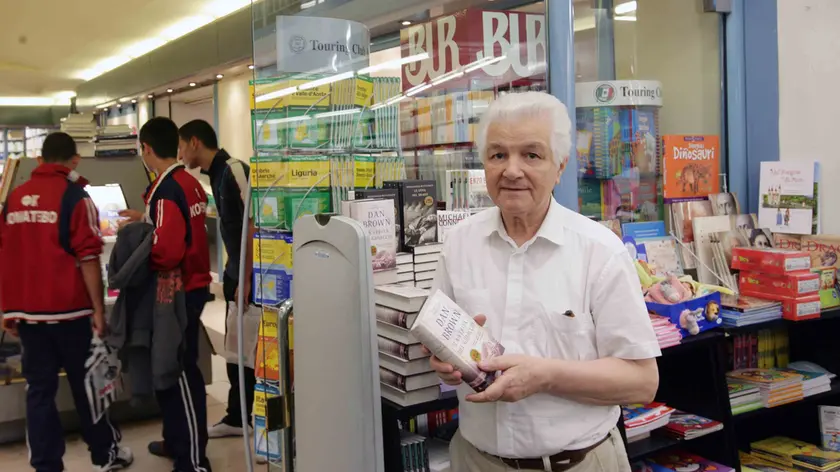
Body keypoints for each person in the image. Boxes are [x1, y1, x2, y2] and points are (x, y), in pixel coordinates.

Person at [426, 92, 661, 472]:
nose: (512, 170)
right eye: (498, 154)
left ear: (560, 166)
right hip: (475, 460)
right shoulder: (459, 243)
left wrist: (545, 376)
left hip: (578, 464)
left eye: (531, 155)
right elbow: (441, 342)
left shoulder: (600, 251)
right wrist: (445, 363)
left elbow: (641, 382)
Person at [0, 132, 133, 472]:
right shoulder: (76, 197)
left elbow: (7, 255)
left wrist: (8, 307)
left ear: (40, 160)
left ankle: (46, 466)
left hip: (30, 314)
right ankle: (104, 454)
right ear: (73, 159)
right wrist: (99, 311)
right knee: (89, 383)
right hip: (71, 312)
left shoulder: (14, 197)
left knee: (39, 390)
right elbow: (89, 258)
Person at [132, 117, 213, 472]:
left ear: (147, 149)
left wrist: (138, 248)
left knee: (178, 371)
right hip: (195, 287)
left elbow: (165, 251)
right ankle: (176, 439)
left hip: (177, 294)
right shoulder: (189, 183)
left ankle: (193, 459)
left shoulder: (165, 190)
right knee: (176, 368)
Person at [177, 119, 257, 439]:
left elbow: (252, 224)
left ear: (195, 142)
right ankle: (238, 417)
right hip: (235, 273)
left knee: (246, 349)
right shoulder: (216, 175)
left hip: (249, 276)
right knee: (234, 349)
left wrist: (247, 277)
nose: (180, 154)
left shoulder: (234, 169)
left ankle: (246, 417)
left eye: (182, 146)